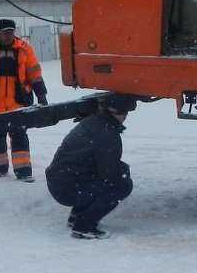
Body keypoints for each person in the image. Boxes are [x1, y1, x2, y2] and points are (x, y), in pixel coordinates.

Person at [45, 93, 137, 239]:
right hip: (67, 188)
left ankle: (77, 216)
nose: (125, 116)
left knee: (113, 176)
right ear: (115, 112)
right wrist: (123, 171)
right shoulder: (107, 133)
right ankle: (83, 226)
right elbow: (108, 173)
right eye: (124, 112)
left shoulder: (94, 122)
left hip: (60, 182)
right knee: (122, 185)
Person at [0, 18, 47, 181]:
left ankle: (24, 171)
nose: (8, 35)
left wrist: (41, 94)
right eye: (5, 32)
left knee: (19, 136)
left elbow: (34, 72)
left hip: (18, 101)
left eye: (11, 32)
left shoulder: (25, 49)